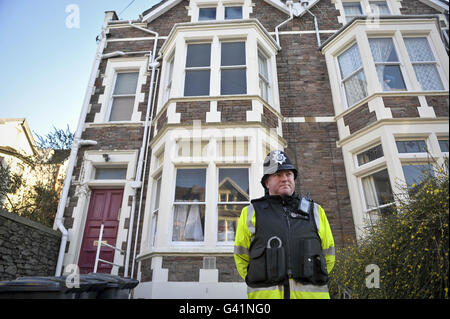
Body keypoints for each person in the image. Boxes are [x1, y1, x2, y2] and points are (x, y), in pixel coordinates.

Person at [234, 150, 335, 299]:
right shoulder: (250, 212)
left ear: (294, 178)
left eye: (288, 174)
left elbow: (329, 255)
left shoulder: (315, 211)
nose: (285, 179)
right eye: (278, 175)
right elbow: (241, 256)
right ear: (267, 182)